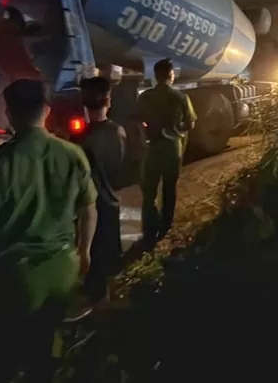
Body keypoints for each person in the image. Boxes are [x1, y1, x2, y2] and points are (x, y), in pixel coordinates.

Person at [0, 79, 98, 383]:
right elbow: (89, 210)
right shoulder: (73, 154)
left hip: (17, 277)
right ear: (47, 111)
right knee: (47, 348)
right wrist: (84, 253)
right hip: (63, 269)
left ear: (9, 114)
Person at [136, 59, 197, 245]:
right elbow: (191, 123)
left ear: (155, 76)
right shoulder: (181, 97)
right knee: (169, 189)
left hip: (151, 148)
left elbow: (138, 121)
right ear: (172, 76)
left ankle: (149, 231)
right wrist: (177, 130)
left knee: (149, 191)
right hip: (173, 149)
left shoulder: (144, 97)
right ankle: (165, 227)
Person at [77, 76, 126, 306]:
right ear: (109, 101)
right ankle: (108, 301)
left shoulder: (80, 140)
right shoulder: (119, 132)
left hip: (87, 209)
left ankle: (95, 305)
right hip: (111, 202)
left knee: (91, 258)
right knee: (109, 258)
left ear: (84, 103)